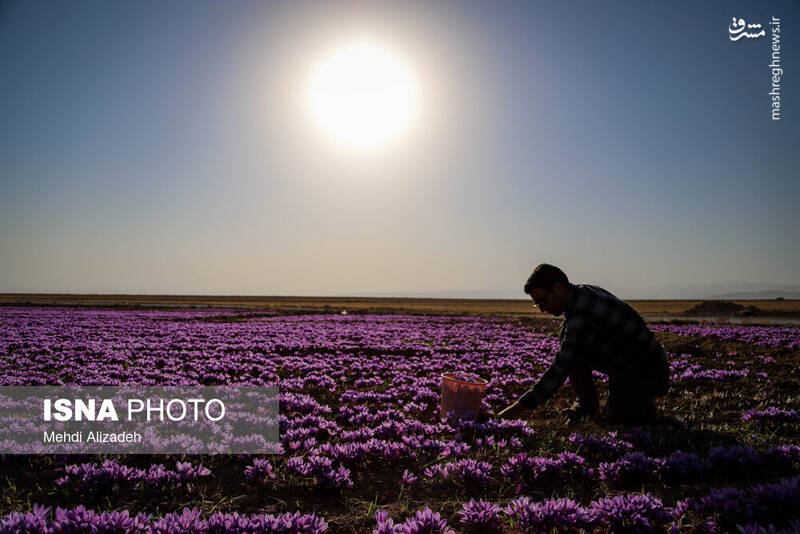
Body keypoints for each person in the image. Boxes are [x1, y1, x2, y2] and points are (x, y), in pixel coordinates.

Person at [497, 264, 670, 425]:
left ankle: (642, 408)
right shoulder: (581, 294)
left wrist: (513, 411)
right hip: (626, 365)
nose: (542, 309)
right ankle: (588, 404)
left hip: (646, 372)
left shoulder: (583, 309)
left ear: (558, 288)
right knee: (568, 341)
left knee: (618, 421)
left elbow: (560, 369)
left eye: (542, 301)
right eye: (537, 304)